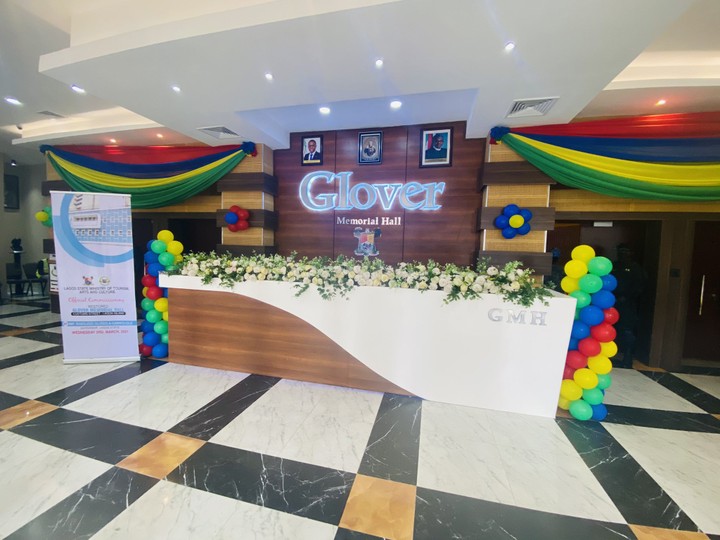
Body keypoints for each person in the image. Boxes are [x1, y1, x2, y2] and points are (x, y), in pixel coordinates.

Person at [613, 243, 647, 368]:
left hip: (628, 304)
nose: (623, 253)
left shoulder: (636, 268)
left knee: (627, 331)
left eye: (626, 251)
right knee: (608, 329)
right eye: (621, 251)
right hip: (610, 302)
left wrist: (627, 297)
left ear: (631, 253)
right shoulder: (613, 266)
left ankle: (627, 358)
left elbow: (640, 286)